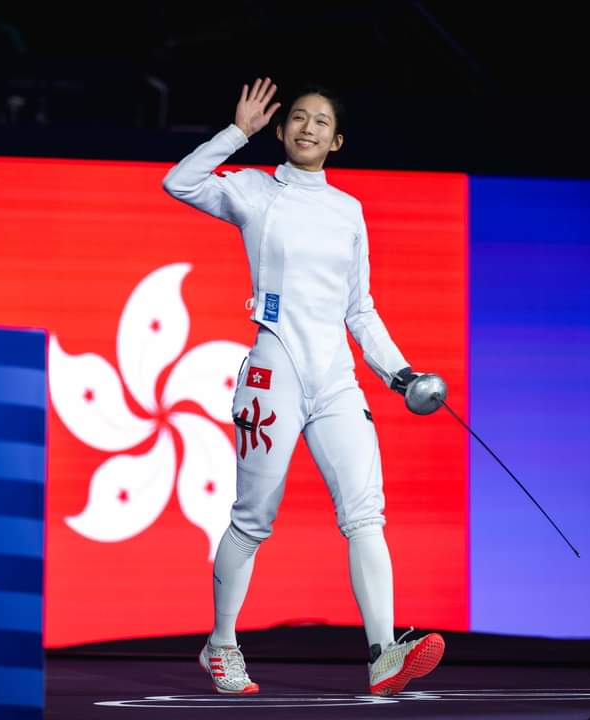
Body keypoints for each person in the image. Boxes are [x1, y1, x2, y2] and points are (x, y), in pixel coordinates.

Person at [162, 77, 445, 696]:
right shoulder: (256, 192)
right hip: (274, 370)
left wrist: (399, 373)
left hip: (336, 377)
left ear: (337, 140)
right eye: (296, 118)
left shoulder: (348, 211)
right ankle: (222, 643)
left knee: (366, 513)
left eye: (320, 121)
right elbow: (178, 182)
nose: (307, 127)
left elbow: (359, 310)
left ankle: (383, 653)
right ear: (282, 129)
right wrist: (238, 132)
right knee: (253, 519)